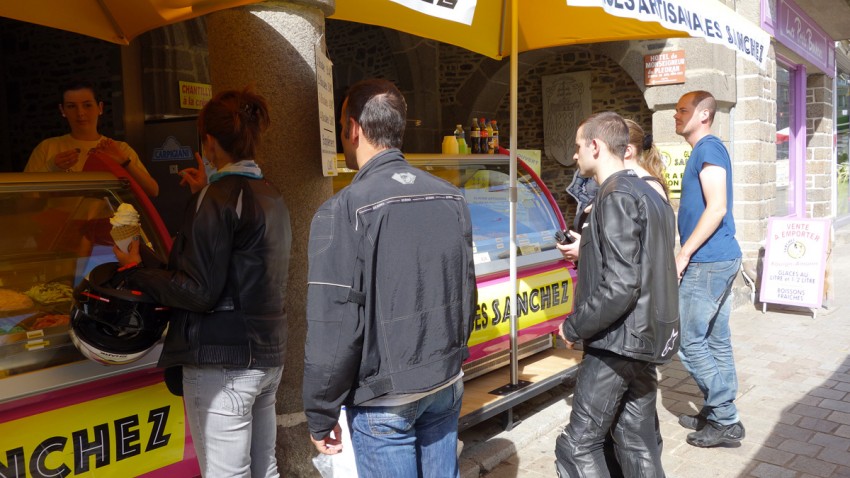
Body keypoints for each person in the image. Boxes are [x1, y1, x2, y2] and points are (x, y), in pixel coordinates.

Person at [302, 78, 477, 478]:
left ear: (353, 129)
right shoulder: (449, 196)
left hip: (385, 397)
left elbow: (333, 324)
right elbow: (467, 293)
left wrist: (320, 410)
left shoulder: (344, 209)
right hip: (444, 381)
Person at [114, 88, 291, 477]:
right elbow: (231, 261)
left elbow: (197, 291)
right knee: (265, 470)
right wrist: (203, 197)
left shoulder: (216, 199)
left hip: (221, 362)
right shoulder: (269, 193)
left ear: (208, 143)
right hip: (266, 357)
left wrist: (133, 272)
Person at [553, 112, 679, 477]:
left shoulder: (615, 195)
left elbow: (622, 283)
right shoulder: (648, 190)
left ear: (596, 145)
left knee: (576, 446)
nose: (575, 156)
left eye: (578, 147)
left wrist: (574, 326)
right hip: (644, 336)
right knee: (635, 438)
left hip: (618, 341)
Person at [673, 90, 745, 448]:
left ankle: (725, 419)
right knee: (715, 339)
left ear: (704, 115)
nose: (675, 115)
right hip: (716, 259)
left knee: (688, 341)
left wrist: (683, 254)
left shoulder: (709, 148)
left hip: (708, 261)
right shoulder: (702, 151)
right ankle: (719, 412)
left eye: (682, 110)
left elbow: (716, 208)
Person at [557, 118, 669, 263]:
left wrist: (585, 250)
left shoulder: (636, 191)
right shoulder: (621, 190)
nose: (575, 155)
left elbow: (631, 258)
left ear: (627, 151)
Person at [24, 81, 159, 197]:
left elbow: (152, 190)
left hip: (110, 223)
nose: (80, 113)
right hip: (61, 224)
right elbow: (23, 197)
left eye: (87, 105)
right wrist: (50, 168)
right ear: (62, 110)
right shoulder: (47, 147)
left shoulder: (119, 148)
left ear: (99, 108)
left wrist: (124, 162)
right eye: (71, 106)